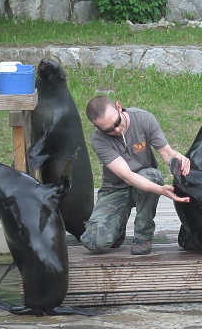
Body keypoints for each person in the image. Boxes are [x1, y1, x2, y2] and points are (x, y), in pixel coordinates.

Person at [80, 96, 191, 255]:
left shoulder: (144, 119)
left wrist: (179, 159)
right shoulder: (99, 140)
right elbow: (127, 176)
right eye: (108, 129)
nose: (116, 130)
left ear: (119, 107)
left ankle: (143, 235)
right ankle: (118, 227)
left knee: (151, 175)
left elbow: (166, 153)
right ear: (95, 126)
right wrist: (160, 190)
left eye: (117, 123)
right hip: (116, 189)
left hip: (145, 182)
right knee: (94, 242)